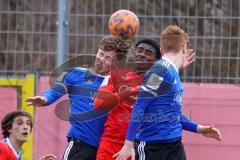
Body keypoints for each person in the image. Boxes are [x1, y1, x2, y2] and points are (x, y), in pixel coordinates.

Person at [94, 38, 221, 160]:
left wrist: (197, 127)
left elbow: (171, 114)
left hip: (137, 146)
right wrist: (132, 91)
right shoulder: (116, 76)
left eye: (148, 52)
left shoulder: (159, 80)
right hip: (112, 145)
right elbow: (99, 103)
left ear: (157, 59)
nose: (142, 54)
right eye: (140, 50)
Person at [26, 35, 133, 160]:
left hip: (107, 148)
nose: (102, 59)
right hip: (80, 144)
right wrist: (45, 99)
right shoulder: (76, 73)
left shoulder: (119, 83)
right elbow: (56, 90)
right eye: (101, 54)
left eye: (108, 58)